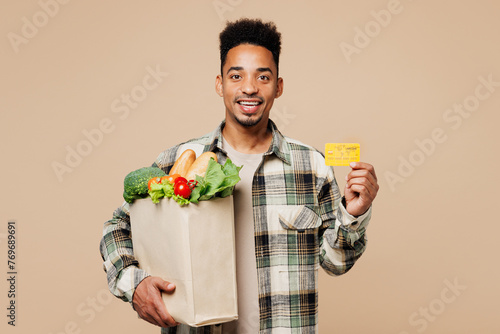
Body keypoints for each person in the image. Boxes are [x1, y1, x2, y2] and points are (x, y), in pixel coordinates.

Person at [100, 18, 379, 334]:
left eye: (263, 76)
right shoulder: (177, 162)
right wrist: (132, 282)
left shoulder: (311, 166)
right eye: (237, 76)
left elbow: (335, 262)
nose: (250, 87)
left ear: (279, 86)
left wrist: (354, 214)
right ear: (220, 84)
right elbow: (119, 225)